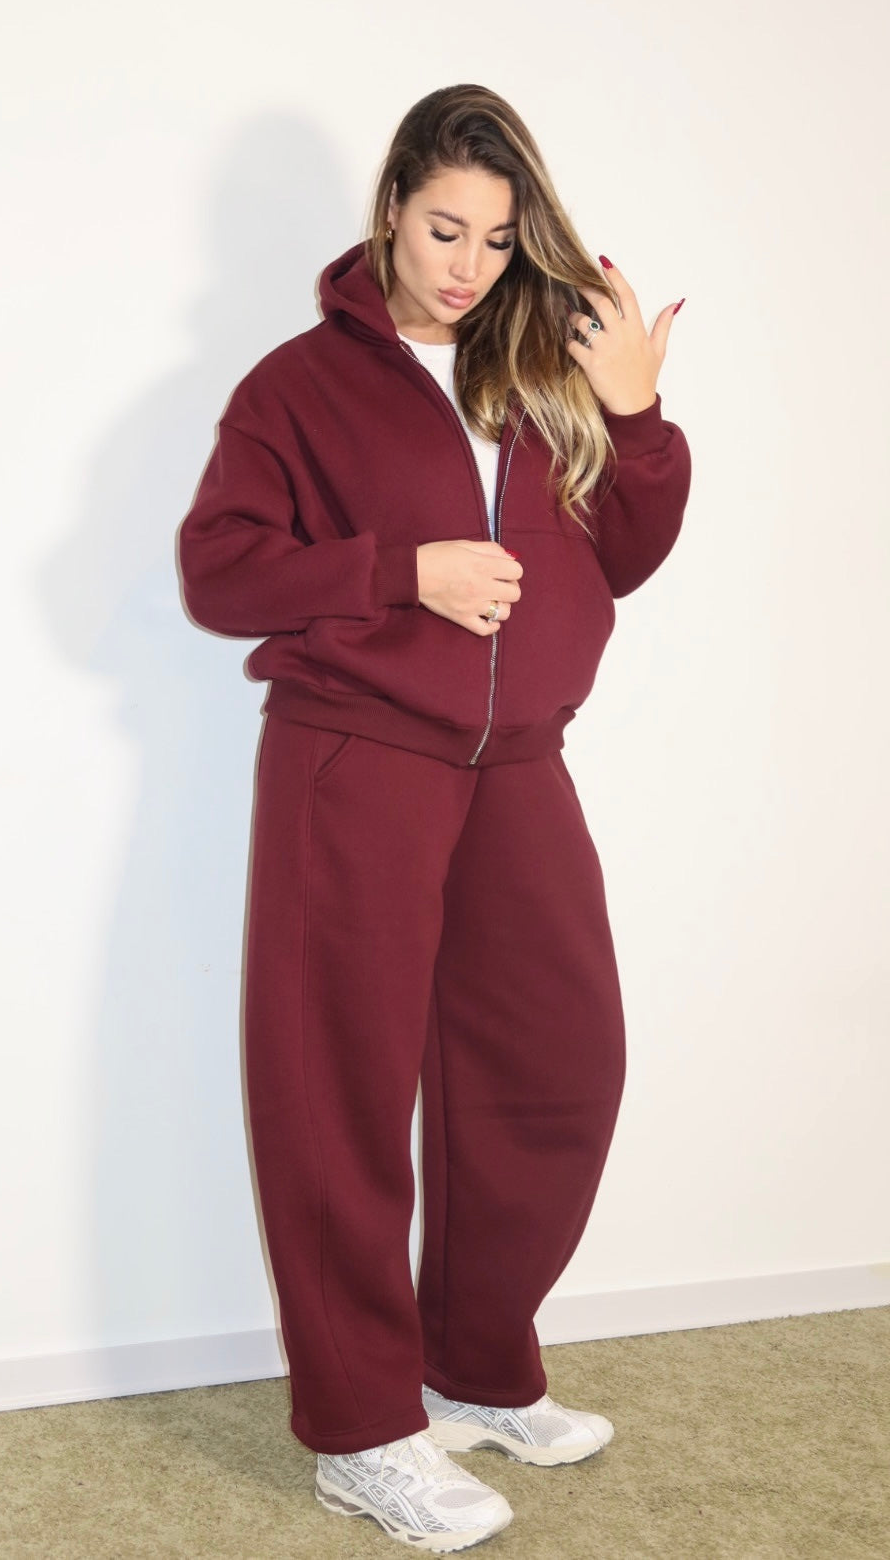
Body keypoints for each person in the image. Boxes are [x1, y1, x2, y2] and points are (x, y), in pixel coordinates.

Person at [177, 84, 691, 1553]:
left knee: (557, 1060)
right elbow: (220, 572)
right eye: (443, 228)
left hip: (520, 762)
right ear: (392, 207)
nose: (466, 265)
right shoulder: (298, 387)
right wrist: (400, 570)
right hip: (358, 757)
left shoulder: (538, 367)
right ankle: (362, 1432)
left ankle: (473, 1365)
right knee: (338, 1086)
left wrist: (636, 411)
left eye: (495, 238)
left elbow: (631, 550)